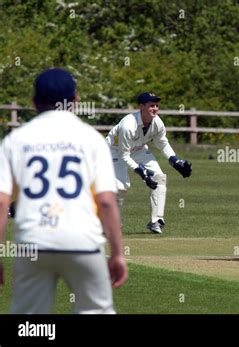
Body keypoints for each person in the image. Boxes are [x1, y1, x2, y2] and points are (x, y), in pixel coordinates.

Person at [0, 68, 128, 313]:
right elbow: (107, 202)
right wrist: (117, 253)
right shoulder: (91, 139)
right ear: (76, 100)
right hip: (82, 242)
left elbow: (1, 203)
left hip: (33, 244)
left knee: (30, 323)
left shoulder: (15, 140)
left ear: (34, 102)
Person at [105, 92, 192, 234]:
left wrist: (175, 161)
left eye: (157, 105)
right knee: (120, 187)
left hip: (138, 149)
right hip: (114, 151)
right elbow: (124, 155)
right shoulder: (128, 125)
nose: (155, 109)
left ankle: (156, 221)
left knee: (160, 178)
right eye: (151, 105)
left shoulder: (157, 122)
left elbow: (162, 143)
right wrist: (142, 173)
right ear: (142, 106)